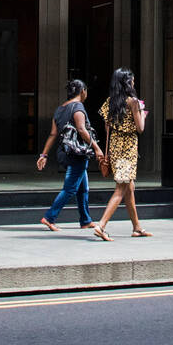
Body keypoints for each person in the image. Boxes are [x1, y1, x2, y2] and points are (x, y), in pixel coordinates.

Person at [36, 79, 104, 231]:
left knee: (82, 188)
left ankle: (85, 220)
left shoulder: (60, 109)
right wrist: (97, 148)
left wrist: (44, 154)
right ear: (82, 91)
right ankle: (49, 217)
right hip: (76, 153)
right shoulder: (78, 107)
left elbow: (53, 134)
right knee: (70, 189)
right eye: (86, 91)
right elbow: (81, 129)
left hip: (64, 152)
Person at [92, 68, 151, 241]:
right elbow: (140, 128)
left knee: (129, 187)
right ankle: (101, 225)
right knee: (121, 189)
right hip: (128, 148)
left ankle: (137, 227)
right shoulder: (133, 102)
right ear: (127, 82)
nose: (134, 82)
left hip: (115, 148)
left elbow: (106, 128)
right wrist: (143, 114)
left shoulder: (110, 102)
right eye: (132, 80)